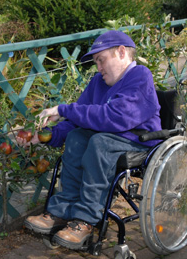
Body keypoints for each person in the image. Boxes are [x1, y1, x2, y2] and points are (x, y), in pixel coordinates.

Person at [17, 30, 162, 250]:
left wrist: (63, 109)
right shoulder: (98, 82)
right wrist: (45, 136)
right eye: (96, 63)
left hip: (139, 139)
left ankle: (85, 220)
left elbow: (115, 117)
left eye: (101, 60)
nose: (99, 68)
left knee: (99, 142)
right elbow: (78, 119)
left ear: (121, 52)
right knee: (76, 137)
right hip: (107, 138)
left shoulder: (140, 76)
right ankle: (61, 211)